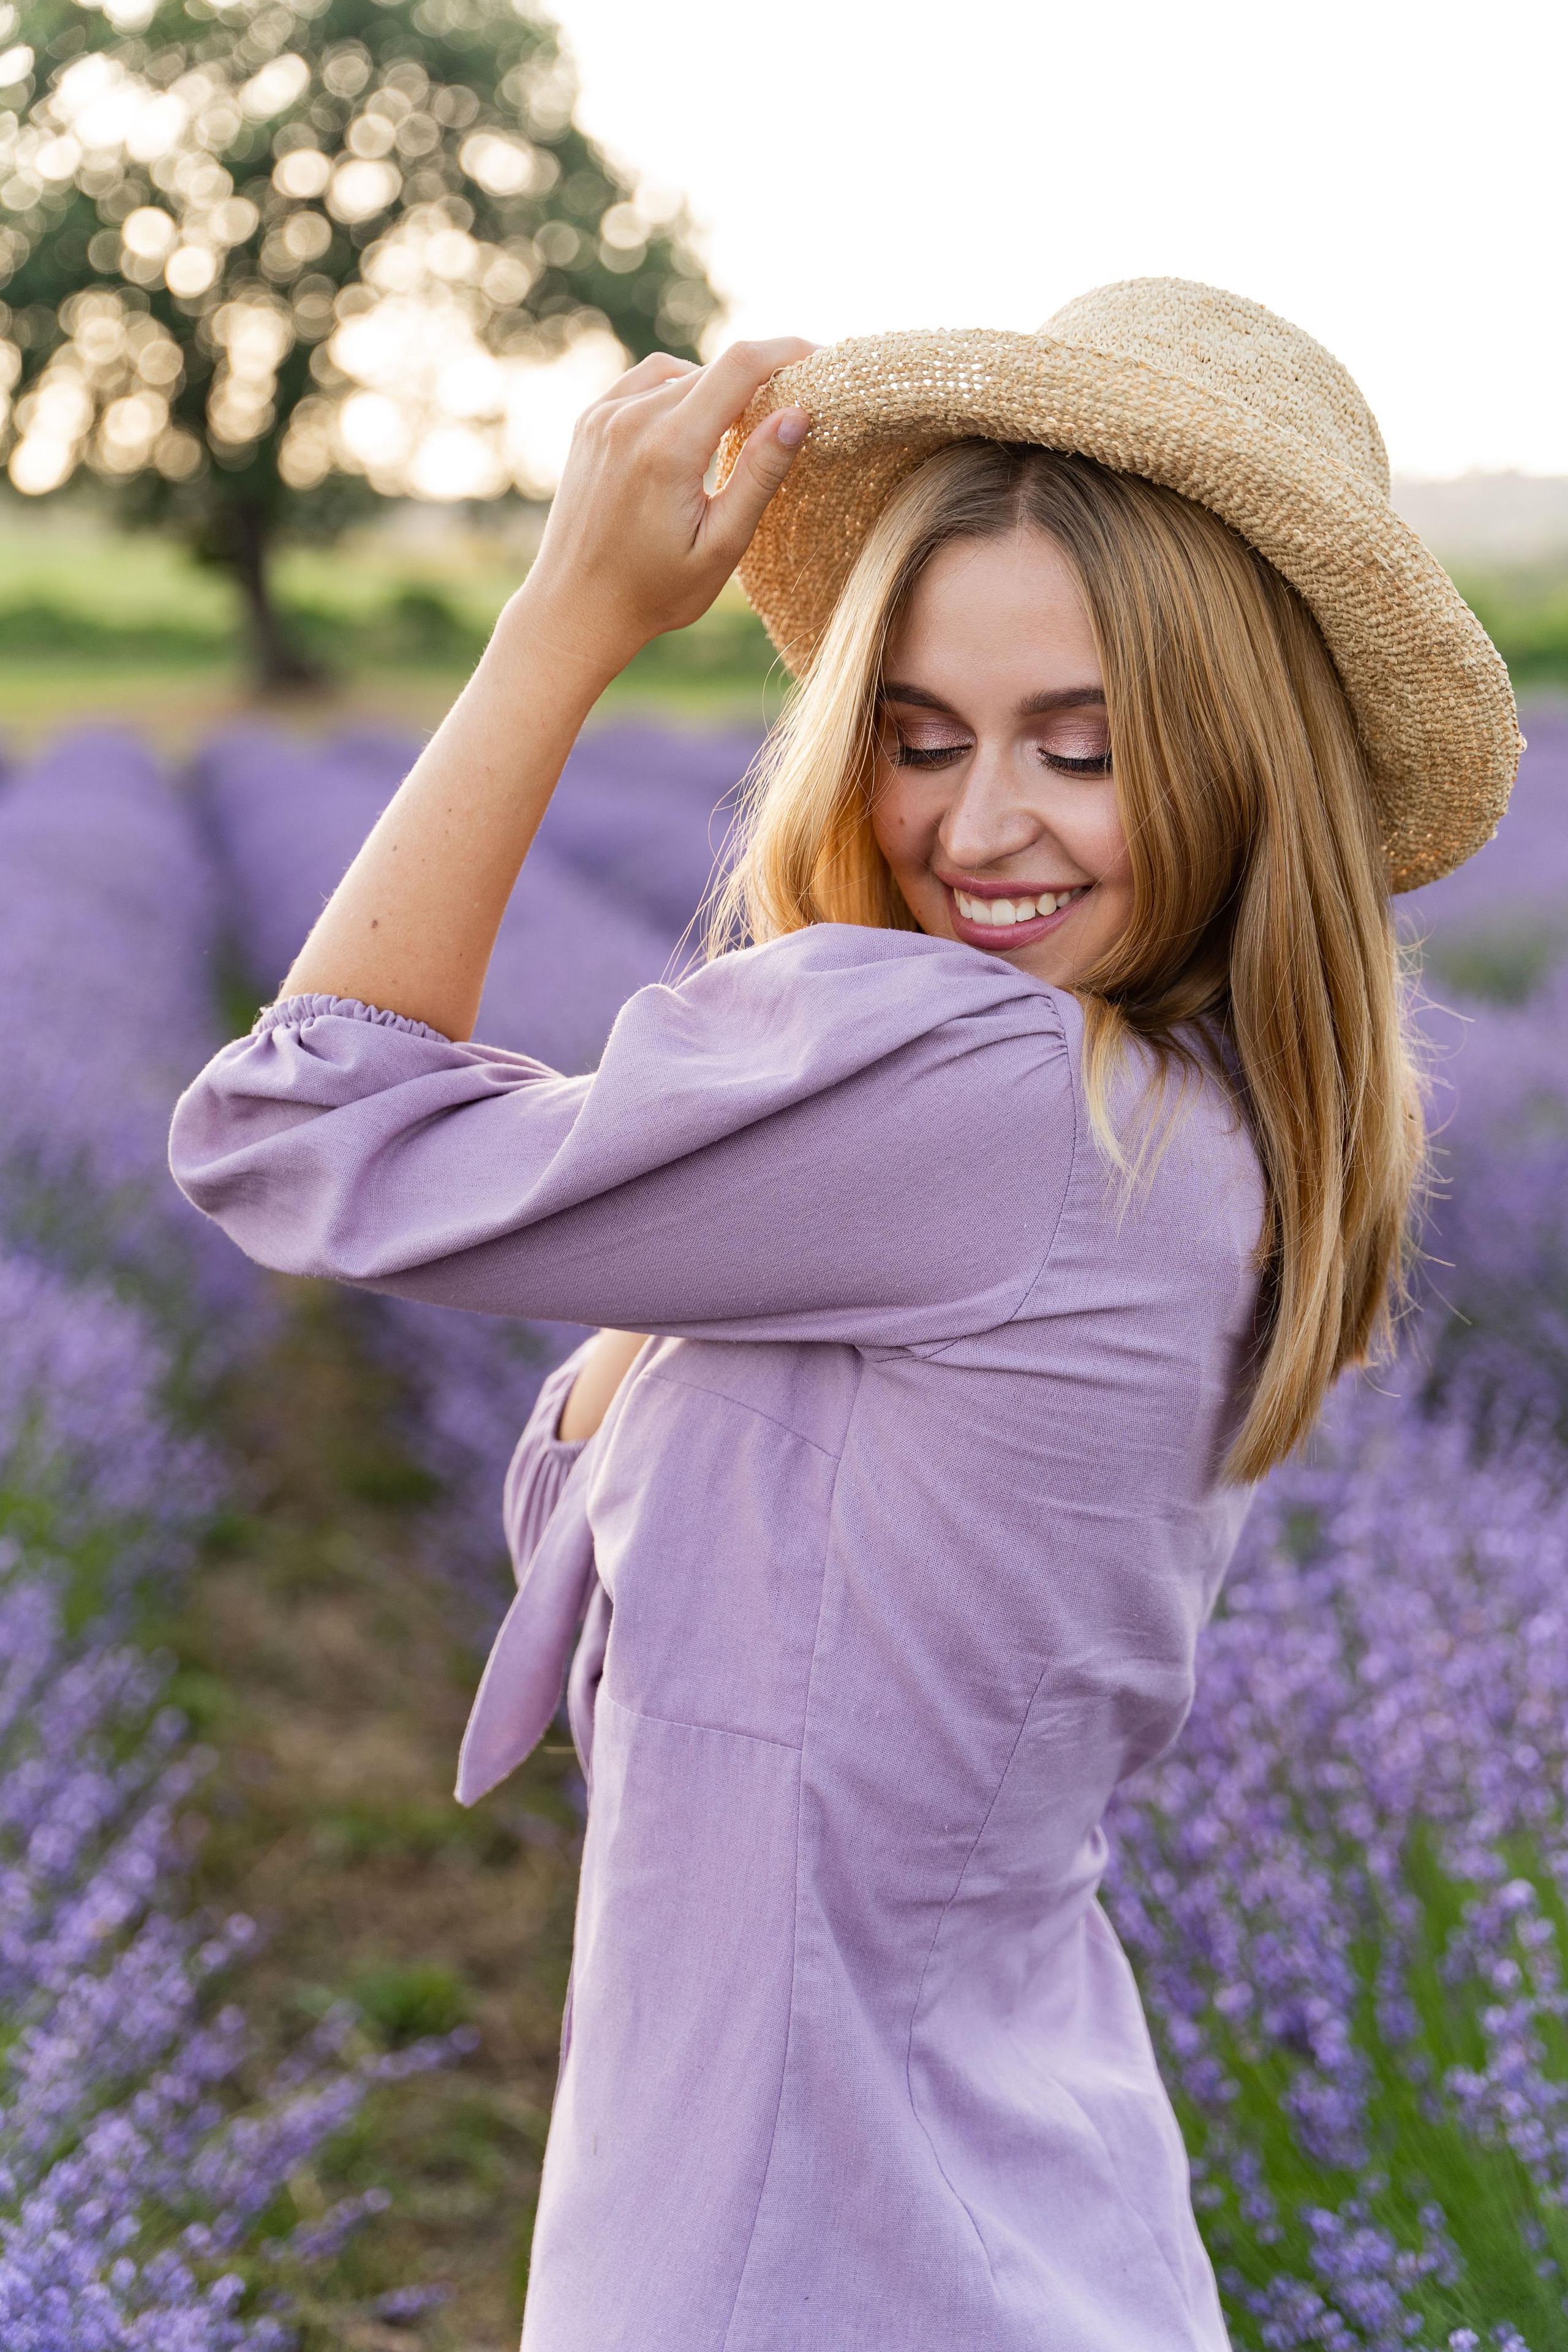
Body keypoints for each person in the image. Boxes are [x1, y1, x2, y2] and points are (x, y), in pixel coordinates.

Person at [170, 278, 1520, 2350]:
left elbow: (297, 1125)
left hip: (807, 2247)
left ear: (1248, 766)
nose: (980, 827)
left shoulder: (989, 1103)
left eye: (1084, 748)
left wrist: (567, 619)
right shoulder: (1181, 1120)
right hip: (1000, 2199)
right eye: (921, 739)